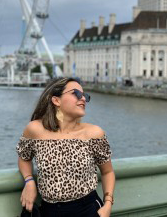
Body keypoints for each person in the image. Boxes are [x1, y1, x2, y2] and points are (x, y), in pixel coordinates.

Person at [16, 77, 115, 217]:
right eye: (76, 94)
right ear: (56, 100)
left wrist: (107, 205)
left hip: (88, 210)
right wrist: (29, 181)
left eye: (85, 96)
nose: (83, 99)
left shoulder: (94, 133)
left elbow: (107, 172)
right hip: (49, 211)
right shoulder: (34, 130)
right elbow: (24, 157)